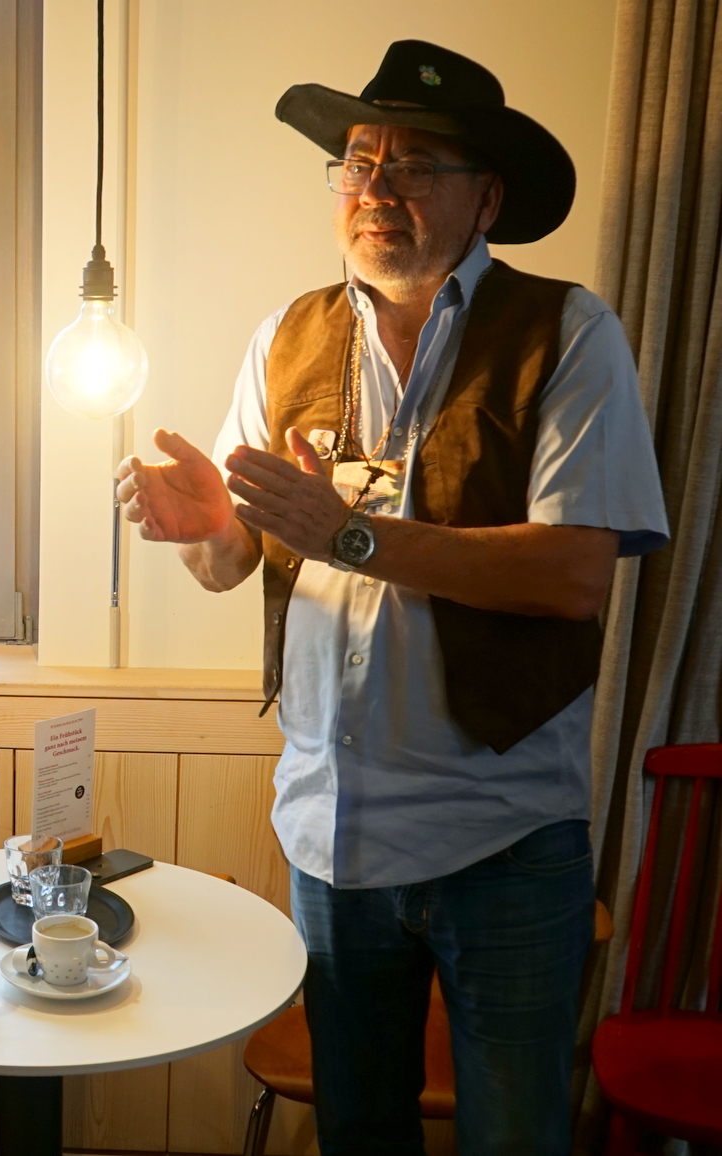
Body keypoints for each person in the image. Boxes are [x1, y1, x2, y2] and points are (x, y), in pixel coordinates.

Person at [116, 41, 668, 1156]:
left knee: (514, 1139)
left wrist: (353, 536)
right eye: (358, 162)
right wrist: (205, 528)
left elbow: (573, 575)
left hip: (502, 841)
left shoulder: (569, 333)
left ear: (486, 200)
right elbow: (234, 564)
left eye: (414, 166)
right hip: (331, 842)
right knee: (359, 1133)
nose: (375, 189)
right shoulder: (286, 336)